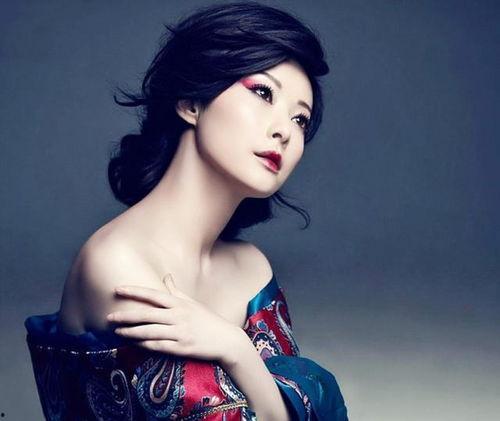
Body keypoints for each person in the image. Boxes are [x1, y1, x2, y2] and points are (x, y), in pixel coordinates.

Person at [24, 1, 348, 419]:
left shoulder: (252, 270)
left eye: (300, 120)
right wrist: (249, 365)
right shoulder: (117, 265)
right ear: (192, 102)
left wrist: (235, 348)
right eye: (263, 93)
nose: (284, 131)